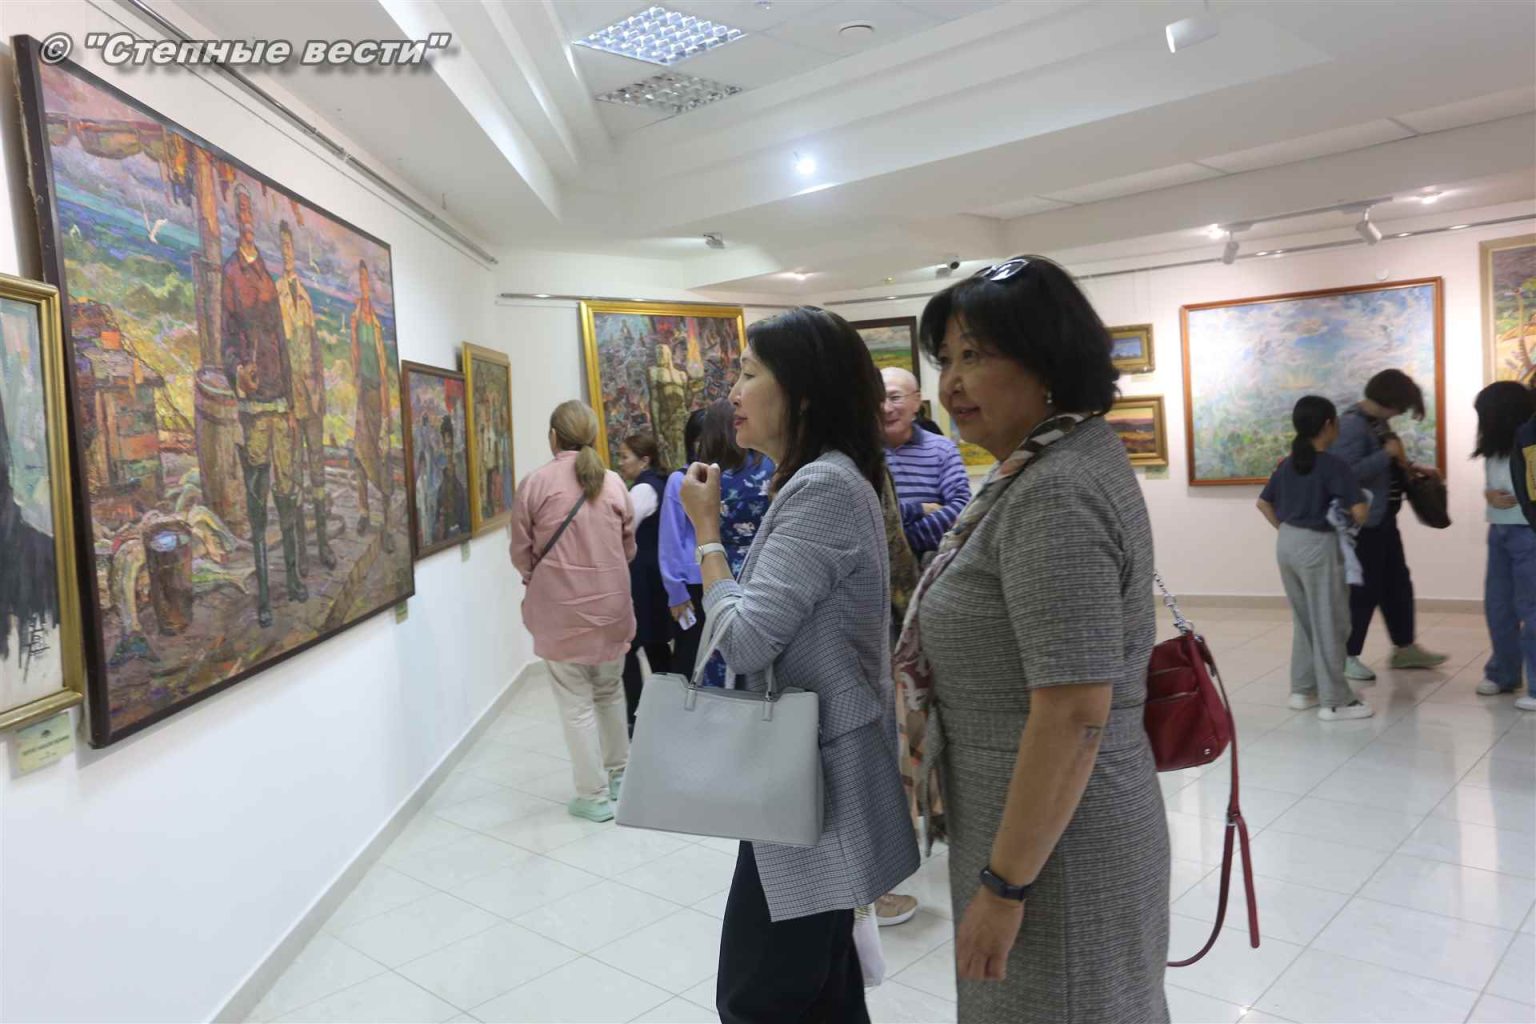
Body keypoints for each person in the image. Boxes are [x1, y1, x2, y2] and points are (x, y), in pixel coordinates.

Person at [897, 256, 1169, 1023]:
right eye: (945, 359)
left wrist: (1004, 886)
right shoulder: (1048, 465)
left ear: (1047, 361)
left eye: (975, 355)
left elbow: (1074, 712)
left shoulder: (1055, 492)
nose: (952, 382)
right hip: (1034, 821)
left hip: (1056, 848)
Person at [679, 307, 918, 1024]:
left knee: (759, 996)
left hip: (813, 782)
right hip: (804, 773)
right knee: (822, 988)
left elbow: (745, 640)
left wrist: (707, 534)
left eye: (750, 374)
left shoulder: (822, 487)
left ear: (803, 394)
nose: (734, 393)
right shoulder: (823, 479)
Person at [509, 401, 636, 822]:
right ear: (593, 436)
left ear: (553, 436)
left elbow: (521, 552)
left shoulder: (536, 484)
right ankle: (621, 778)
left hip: (560, 613)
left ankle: (593, 796)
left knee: (576, 704)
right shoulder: (613, 483)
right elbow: (628, 547)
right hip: (612, 607)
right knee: (610, 691)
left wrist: (541, 578)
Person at [1256, 396, 1373, 720]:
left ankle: (1303, 690)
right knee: (1330, 622)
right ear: (1327, 425)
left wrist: (1287, 530)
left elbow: (1263, 503)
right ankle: (1336, 701)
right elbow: (1360, 513)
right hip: (1318, 546)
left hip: (1287, 543)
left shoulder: (1288, 464)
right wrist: (1364, 503)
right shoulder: (1334, 466)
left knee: (1305, 620)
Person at [220, 183, 304, 627]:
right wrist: (238, 371)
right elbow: (226, 339)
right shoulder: (231, 273)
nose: (247, 218)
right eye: (242, 211)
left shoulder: (267, 274)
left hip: (278, 402)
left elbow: (282, 342)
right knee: (258, 500)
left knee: (287, 493)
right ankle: (265, 597)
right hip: (254, 408)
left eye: (250, 210)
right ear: (236, 219)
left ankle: (293, 578)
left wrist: (290, 404)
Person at [1334, 370, 1446, 680]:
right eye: (1402, 406)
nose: (1401, 412)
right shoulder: (1352, 425)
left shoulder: (1376, 423)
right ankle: (1347, 655)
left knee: (1396, 584)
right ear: (1390, 400)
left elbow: (1383, 468)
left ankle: (1404, 648)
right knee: (1364, 591)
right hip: (1364, 524)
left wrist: (1411, 468)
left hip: (1384, 519)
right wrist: (1386, 454)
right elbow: (1345, 474)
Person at [1471, 382, 1536, 710]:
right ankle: (1503, 673)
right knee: (1498, 606)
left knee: (1532, 608)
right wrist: (1489, 495)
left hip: (1528, 532)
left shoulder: (1529, 441)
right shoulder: (1494, 444)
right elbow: (1492, 483)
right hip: (1499, 530)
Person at [275, 220, 335, 575]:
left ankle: (323, 544)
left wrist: (321, 392)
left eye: (290, 247)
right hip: (291, 403)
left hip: (311, 400)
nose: (287, 253)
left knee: (318, 475)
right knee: (295, 478)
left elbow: (314, 350)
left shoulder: (305, 297)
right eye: (282, 247)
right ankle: (299, 555)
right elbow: (279, 352)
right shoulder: (277, 295)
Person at [882, 367, 972, 557]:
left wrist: (903, 543)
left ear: (916, 401)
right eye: (877, 399)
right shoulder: (861, 453)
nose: (886, 408)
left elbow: (962, 509)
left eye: (895, 397)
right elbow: (865, 516)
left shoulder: (943, 449)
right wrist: (919, 509)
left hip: (931, 568)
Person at [615, 431, 671, 729]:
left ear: (644, 460)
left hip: (642, 578)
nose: (621, 462)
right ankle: (670, 708)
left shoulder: (643, 490)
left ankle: (636, 715)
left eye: (625, 456)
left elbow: (621, 530)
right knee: (655, 644)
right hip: (653, 574)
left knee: (631, 646)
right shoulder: (659, 483)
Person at [659, 409, 708, 679]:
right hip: (692, 585)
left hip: (726, 579)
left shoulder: (730, 478)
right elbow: (670, 541)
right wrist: (676, 592)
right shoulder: (679, 480)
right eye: (699, 439)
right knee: (690, 658)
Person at [350, 260, 394, 552]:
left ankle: (387, 525)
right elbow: (354, 358)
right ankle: (364, 512)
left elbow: (384, 370)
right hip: (362, 397)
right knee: (360, 457)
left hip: (377, 396)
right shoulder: (355, 318)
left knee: (382, 458)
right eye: (360, 280)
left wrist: (387, 410)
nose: (364, 284)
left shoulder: (376, 323)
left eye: (367, 279)